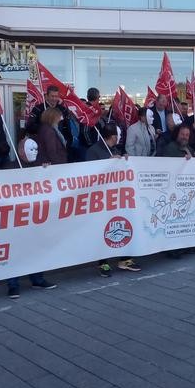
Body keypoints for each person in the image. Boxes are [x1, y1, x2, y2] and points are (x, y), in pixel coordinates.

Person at [87, 124, 142, 276]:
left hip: (116, 197)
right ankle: (102, 262)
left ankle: (125, 258)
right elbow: (89, 172)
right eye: (117, 136)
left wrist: (124, 161)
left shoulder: (114, 149)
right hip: (101, 198)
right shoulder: (94, 151)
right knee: (102, 228)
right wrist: (108, 162)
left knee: (121, 224)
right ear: (113, 137)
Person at [6, 138, 57, 298]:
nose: (35, 152)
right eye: (31, 149)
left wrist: (47, 171)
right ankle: (13, 284)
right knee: (15, 250)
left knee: (37, 247)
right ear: (21, 151)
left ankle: (37, 278)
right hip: (17, 217)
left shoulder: (39, 166)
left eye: (36, 149)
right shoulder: (10, 167)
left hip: (35, 216)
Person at [26, 85, 77, 161]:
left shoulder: (62, 109)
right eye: (52, 96)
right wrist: (46, 127)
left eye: (56, 96)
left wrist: (68, 141)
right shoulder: (38, 108)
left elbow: (67, 127)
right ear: (46, 96)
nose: (54, 99)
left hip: (61, 145)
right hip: (44, 145)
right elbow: (29, 126)